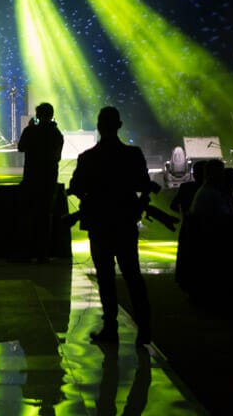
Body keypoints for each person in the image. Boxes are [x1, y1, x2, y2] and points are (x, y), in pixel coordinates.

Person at [68, 106, 155, 346]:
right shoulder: (133, 154)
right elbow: (144, 185)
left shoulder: (88, 158)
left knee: (105, 278)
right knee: (133, 275)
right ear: (119, 126)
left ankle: (110, 329)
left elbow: (76, 187)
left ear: (98, 127)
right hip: (125, 222)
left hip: (99, 224)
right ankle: (144, 327)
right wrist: (138, 206)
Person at [17, 102, 64, 260]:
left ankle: (25, 253)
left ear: (37, 116)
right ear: (51, 115)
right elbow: (57, 157)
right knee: (45, 216)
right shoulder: (56, 134)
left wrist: (30, 128)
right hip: (49, 178)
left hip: (31, 177)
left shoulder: (30, 131)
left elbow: (21, 147)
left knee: (28, 214)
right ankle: (43, 253)